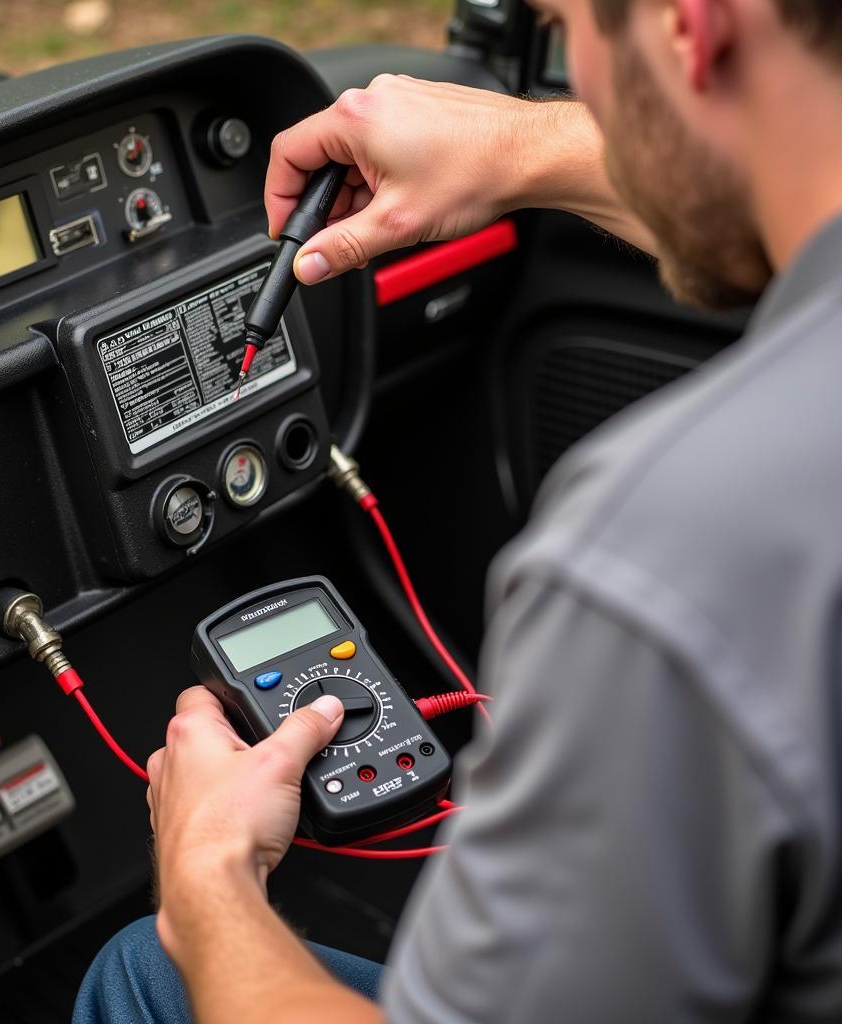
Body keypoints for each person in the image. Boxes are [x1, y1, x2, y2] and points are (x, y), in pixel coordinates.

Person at [75, 0, 842, 1019]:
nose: (572, 78)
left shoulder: (664, 554)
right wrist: (525, 143)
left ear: (688, 29)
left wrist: (206, 873)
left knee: (143, 970)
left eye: (570, 40)